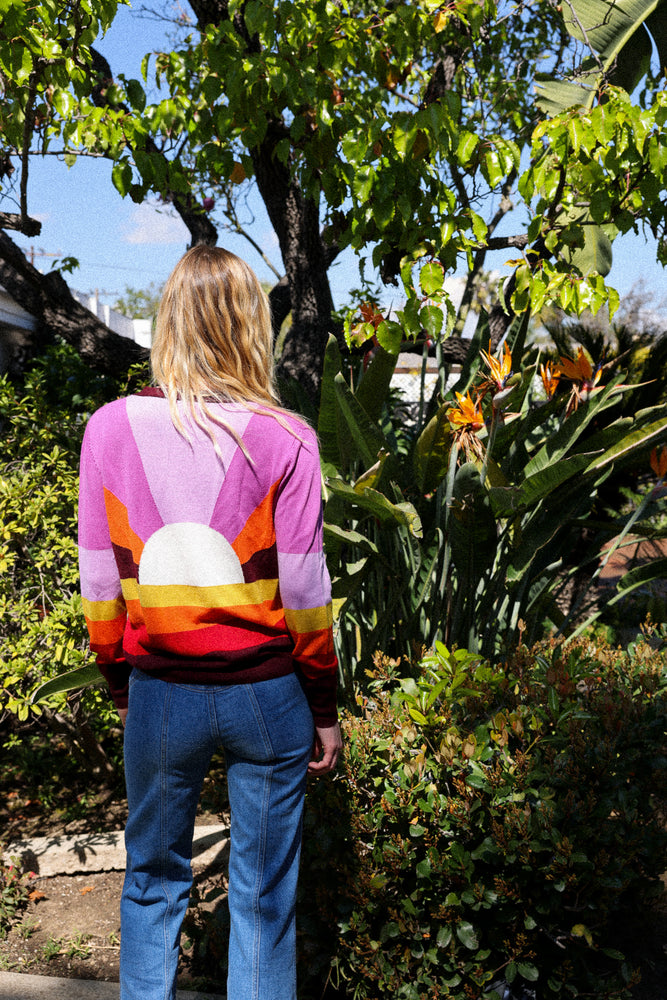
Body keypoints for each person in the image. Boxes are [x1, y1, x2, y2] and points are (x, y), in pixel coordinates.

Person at [78, 245, 342, 1000]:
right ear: (249, 326)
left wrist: (118, 679)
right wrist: (322, 704)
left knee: (152, 876)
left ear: (171, 321)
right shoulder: (287, 436)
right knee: (262, 898)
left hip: (162, 692)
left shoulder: (111, 428)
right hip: (269, 697)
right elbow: (303, 589)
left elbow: (100, 581)